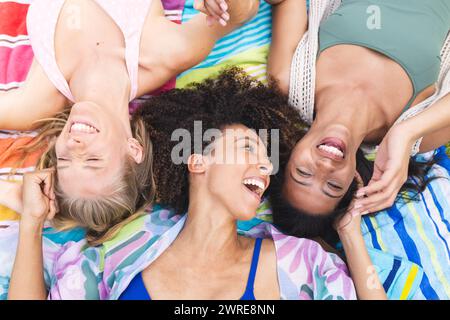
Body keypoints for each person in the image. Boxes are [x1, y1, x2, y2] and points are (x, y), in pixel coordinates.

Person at [7, 69, 385, 300]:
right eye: (247, 147)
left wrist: (349, 231)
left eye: (266, 159)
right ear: (197, 160)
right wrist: (31, 226)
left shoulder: (307, 264)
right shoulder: (113, 256)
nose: (266, 166)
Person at [0, 0, 260, 242]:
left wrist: (8, 192)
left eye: (65, 161)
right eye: (92, 160)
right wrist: (226, 4)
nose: (75, 145)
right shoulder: (163, 53)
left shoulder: (35, 103)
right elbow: (244, 12)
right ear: (133, 148)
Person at [218, 0, 450, 239]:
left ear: (290, 154)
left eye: (303, 173)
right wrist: (406, 132)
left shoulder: (289, 80)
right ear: (355, 179)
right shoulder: (415, 134)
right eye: (333, 186)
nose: (324, 168)